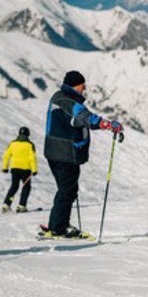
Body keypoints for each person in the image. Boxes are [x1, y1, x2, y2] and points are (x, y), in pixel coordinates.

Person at [43, 70, 123, 238]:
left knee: (67, 189)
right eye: (82, 86)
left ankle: (59, 225)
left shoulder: (59, 97)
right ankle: (58, 227)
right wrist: (108, 125)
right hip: (65, 152)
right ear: (76, 85)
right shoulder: (67, 101)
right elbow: (85, 118)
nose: (84, 89)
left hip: (57, 151)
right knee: (67, 190)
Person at [1, 126, 38, 213]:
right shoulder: (29, 145)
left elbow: (6, 156)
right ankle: (22, 205)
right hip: (25, 169)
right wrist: (34, 170)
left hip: (14, 168)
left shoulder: (13, 144)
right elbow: (32, 158)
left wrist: (5, 168)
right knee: (26, 187)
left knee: (14, 186)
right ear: (28, 134)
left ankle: (6, 204)